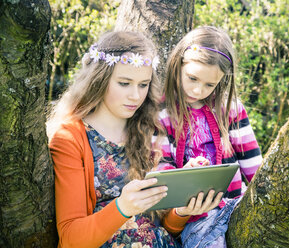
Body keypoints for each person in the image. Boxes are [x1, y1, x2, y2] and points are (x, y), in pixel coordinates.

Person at [47, 30, 215, 248]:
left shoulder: (148, 130)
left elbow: (163, 227)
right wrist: (122, 208)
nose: (135, 96)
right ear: (100, 79)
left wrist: (182, 211)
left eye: (143, 85)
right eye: (124, 83)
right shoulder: (70, 138)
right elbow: (71, 239)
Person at [158, 26, 263, 247]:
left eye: (209, 84)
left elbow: (253, 164)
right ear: (179, 63)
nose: (197, 90)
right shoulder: (162, 112)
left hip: (235, 203)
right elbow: (161, 167)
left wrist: (264, 193)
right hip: (197, 216)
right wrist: (185, 174)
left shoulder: (229, 107)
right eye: (192, 78)